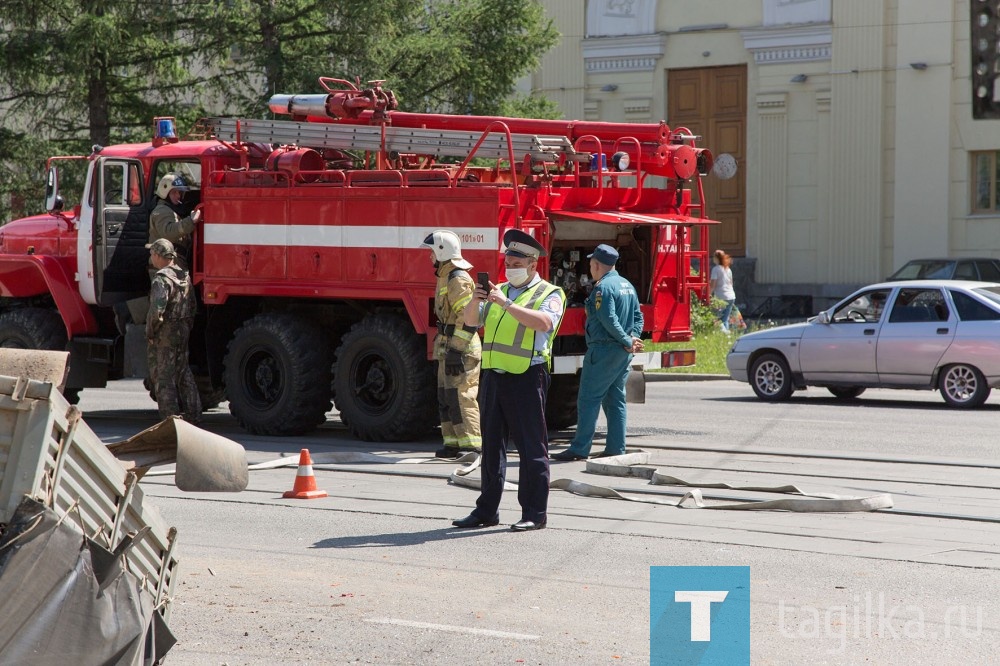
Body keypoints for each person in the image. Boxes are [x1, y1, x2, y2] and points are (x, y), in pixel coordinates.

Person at [452, 229, 565, 532]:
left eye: (516, 261)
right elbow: (472, 321)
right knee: (490, 448)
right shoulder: (498, 289)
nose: (510, 266)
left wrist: (505, 304)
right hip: (494, 376)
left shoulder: (550, 293)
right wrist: (477, 299)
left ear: (532, 264)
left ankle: (535, 513)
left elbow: (544, 322)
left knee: (532, 449)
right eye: (507, 260)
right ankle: (486, 511)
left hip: (527, 377)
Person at [552, 244, 644, 461]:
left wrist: (625, 339)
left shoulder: (603, 288)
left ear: (596, 265)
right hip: (622, 352)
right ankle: (615, 448)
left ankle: (579, 448)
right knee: (615, 400)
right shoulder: (627, 285)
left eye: (592, 264)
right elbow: (638, 316)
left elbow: (608, 319)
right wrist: (633, 339)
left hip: (603, 350)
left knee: (588, 399)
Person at [420, 230, 482, 458]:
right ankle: (454, 443)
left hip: (461, 348)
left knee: (462, 396)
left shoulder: (458, 278)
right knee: (446, 396)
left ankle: (472, 446)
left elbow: (468, 318)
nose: (429, 257)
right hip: (448, 346)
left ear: (441, 252)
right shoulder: (445, 276)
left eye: (431, 252)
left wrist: (457, 349)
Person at [146, 238, 202, 423]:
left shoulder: (161, 278)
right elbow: (193, 305)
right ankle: (194, 414)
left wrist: (151, 332)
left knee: (163, 378)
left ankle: (170, 420)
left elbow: (157, 310)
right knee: (183, 371)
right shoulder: (184, 275)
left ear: (158, 255)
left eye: (152, 253)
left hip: (166, 333)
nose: (151, 257)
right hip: (183, 329)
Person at [149, 173, 202, 269]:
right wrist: (191, 221)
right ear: (165, 192)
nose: (178, 195)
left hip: (172, 263)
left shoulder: (172, 210)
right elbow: (169, 232)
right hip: (165, 266)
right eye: (174, 192)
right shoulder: (161, 210)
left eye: (180, 192)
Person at [710, 249, 737, 332]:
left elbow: (713, 285)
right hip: (731, 296)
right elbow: (731, 283)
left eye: (713, 257)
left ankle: (725, 334)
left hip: (721, 297)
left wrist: (708, 295)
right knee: (725, 318)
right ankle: (727, 335)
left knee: (717, 318)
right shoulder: (728, 269)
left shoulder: (716, 269)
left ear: (716, 258)